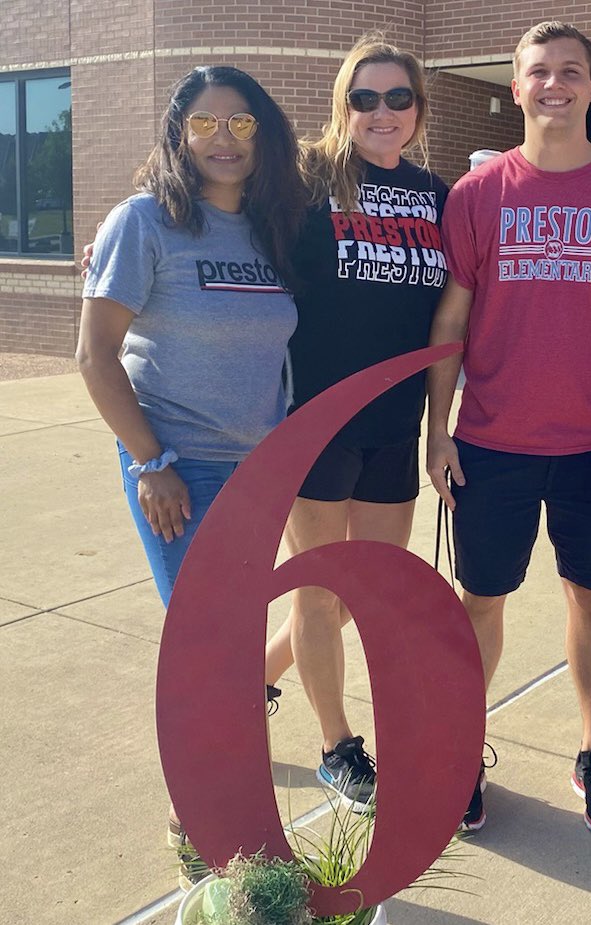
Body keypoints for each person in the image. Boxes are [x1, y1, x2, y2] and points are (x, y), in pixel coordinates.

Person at [426, 21, 591, 837]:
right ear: (516, 87)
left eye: (571, 72)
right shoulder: (477, 196)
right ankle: (461, 752)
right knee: (479, 603)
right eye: (539, 72)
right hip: (491, 443)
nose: (555, 84)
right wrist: (438, 430)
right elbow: (452, 320)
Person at [76, 66, 305, 888]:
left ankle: (221, 781)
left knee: (233, 646)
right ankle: (200, 829)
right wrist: (150, 461)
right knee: (209, 653)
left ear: (263, 135)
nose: (223, 139)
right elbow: (95, 356)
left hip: (262, 469)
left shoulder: (275, 225)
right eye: (205, 123)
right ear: (178, 133)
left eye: (242, 124)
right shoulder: (146, 221)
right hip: (181, 469)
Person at [259, 35, 449, 812]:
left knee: (361, 591)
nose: (381, 111)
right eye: (364, 97)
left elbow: (453, 312)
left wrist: (441, 423)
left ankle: (256, 677)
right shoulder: (305, 177)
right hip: (314, 422)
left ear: (416, 110)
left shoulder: (438, 195)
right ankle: (339, 746)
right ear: (343, 105)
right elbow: (216, 208)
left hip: (394, 424)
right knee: (317, 592)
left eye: (396, 97)